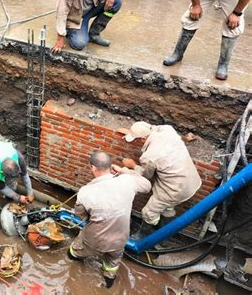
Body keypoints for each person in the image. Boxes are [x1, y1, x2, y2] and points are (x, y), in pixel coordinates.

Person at [68, 152, 151, 289]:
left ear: (94, 168)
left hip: (94, 239)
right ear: (111, 166)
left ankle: (72, 262)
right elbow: (147, 185)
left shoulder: (85, 192)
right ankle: (108, 282)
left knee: (75, 250)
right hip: (120, 238)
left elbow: (80, 215)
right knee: (113, 261)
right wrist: (124, 171)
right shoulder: (127, 181)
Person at [117, 121, 202, 239]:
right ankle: (162, 239)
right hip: (191, 182)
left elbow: (146, 176)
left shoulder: (150, 157)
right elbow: (154, 127)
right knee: (167, 208)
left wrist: (132, 165)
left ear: (142, 138)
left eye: (137, 139)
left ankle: (143, 237)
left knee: (148, 212)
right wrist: (131, 133)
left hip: (172, 189)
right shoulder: (168, 130)